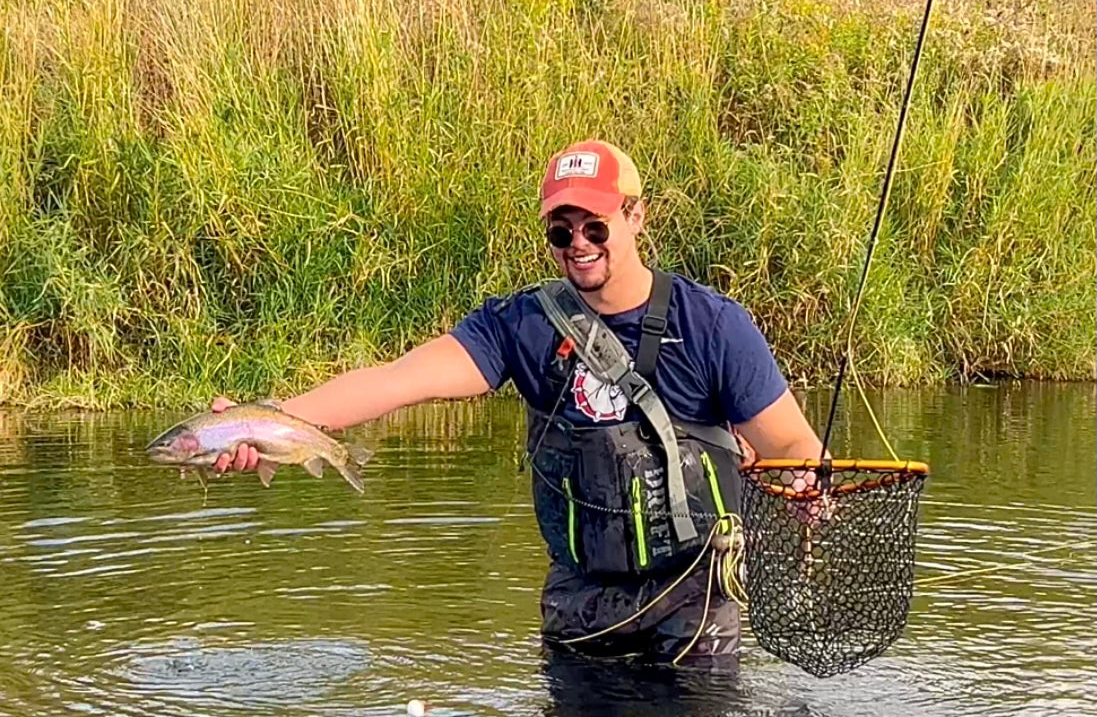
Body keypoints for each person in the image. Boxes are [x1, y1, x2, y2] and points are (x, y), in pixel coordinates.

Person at [211, 139, 824, 665]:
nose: (577, 243)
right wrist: (267, 419)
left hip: (694, 607)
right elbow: (396, 380)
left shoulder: (714, 327)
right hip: (578, 603)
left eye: (596, 226)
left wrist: (807, 493)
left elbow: (794, 447)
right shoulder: (523, 325)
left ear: (637, 216)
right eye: (562, 229)